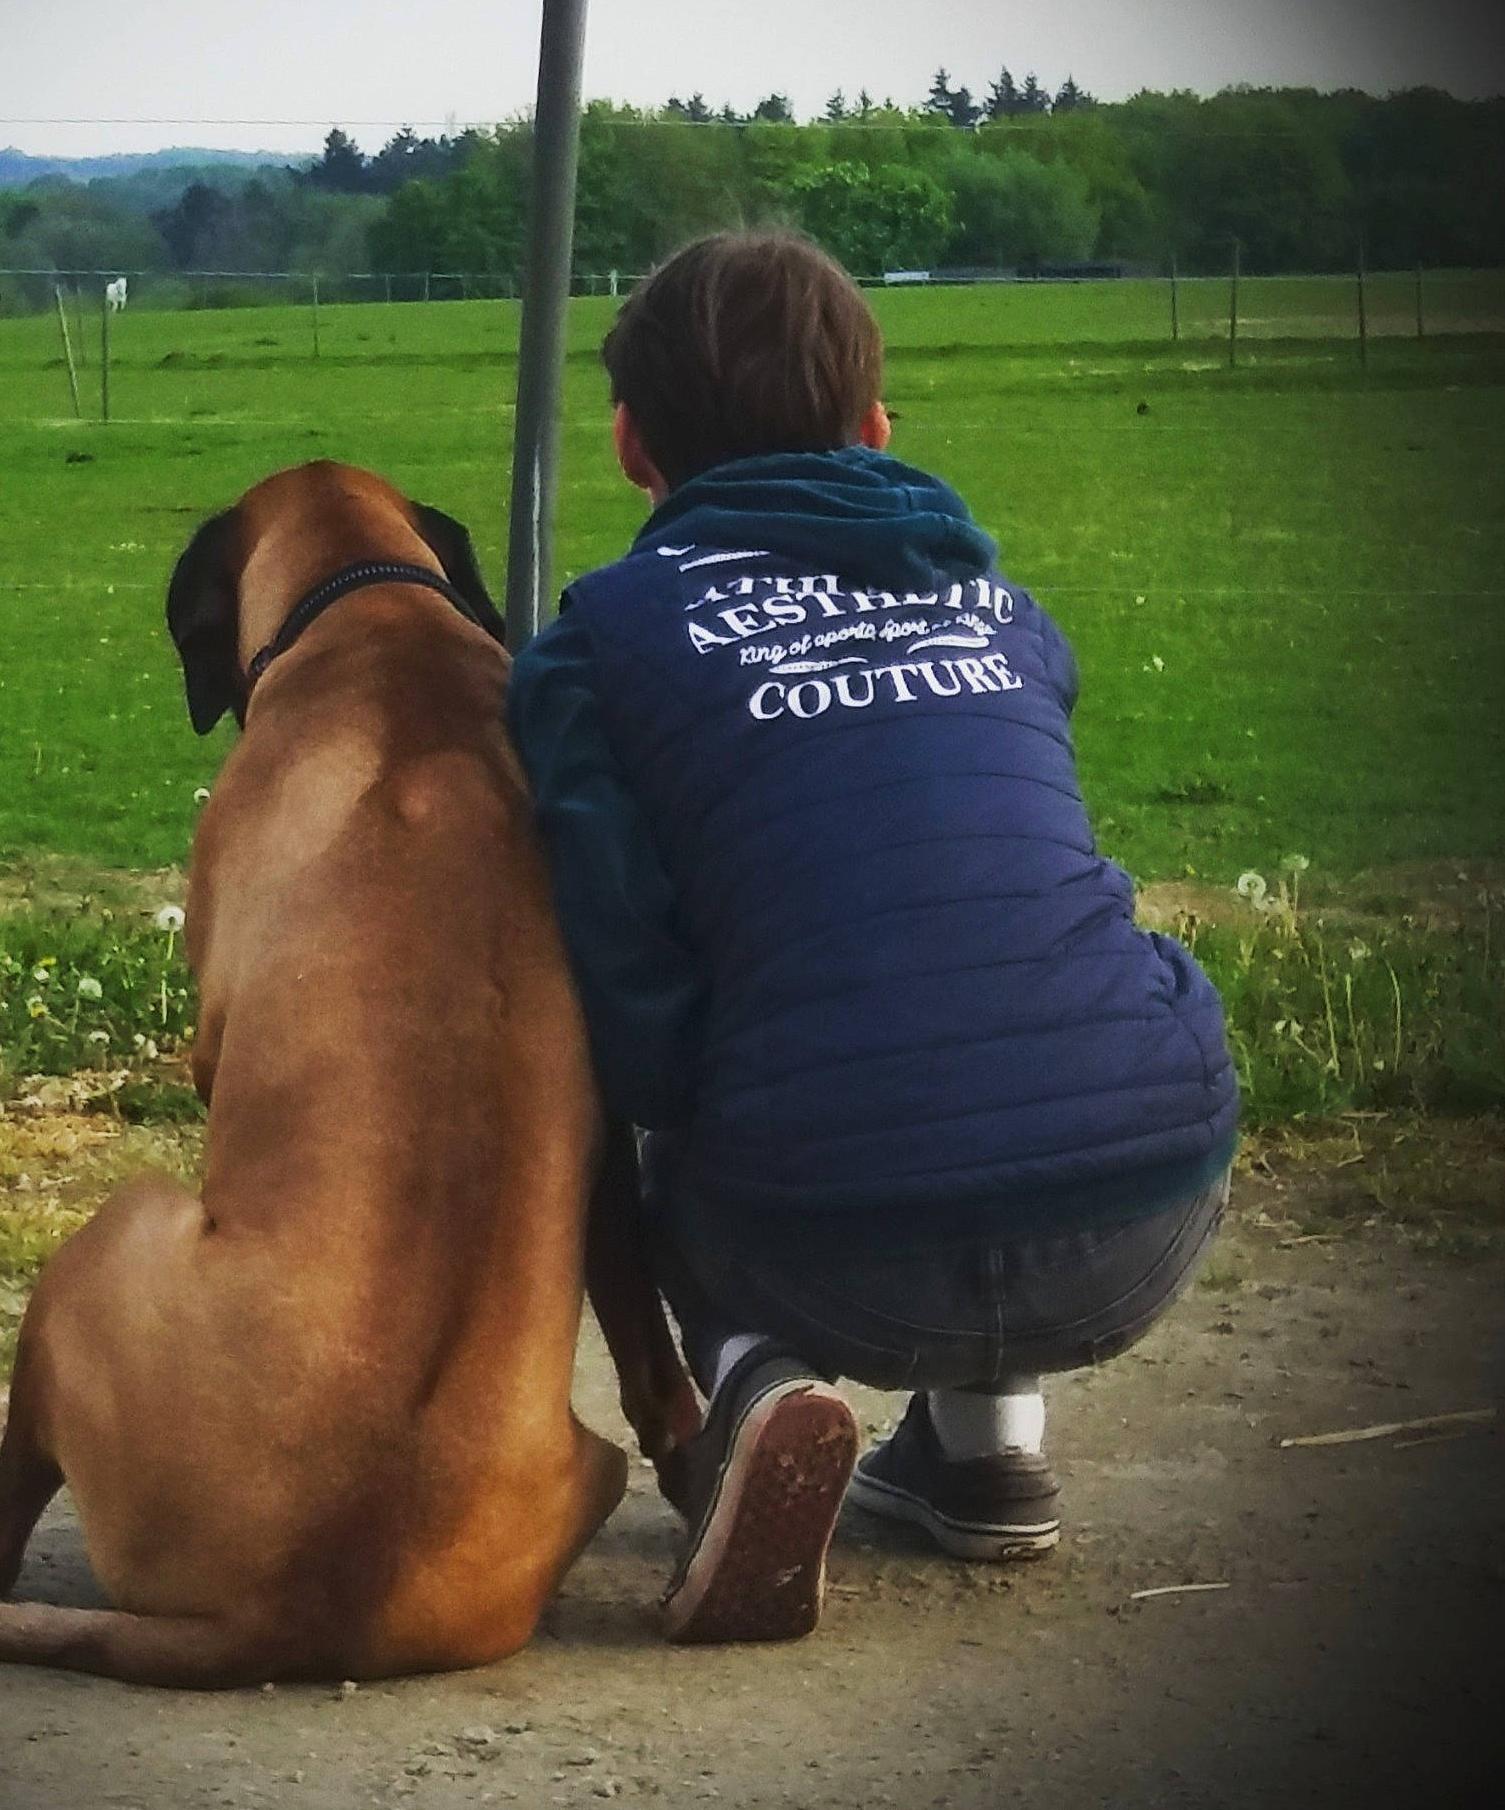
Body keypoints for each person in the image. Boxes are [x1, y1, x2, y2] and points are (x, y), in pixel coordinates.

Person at [507, 231, 1237, 1646]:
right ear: (879, 428)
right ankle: (986, 1458)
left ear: (627, 442)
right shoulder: (1004, 611)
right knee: (1009, 1004)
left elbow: (630, 984)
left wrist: (686, 1138)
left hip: (824, 1245)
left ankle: (757, 1385)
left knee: (692, 1104)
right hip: (1143, 1213)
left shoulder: (596, 646)